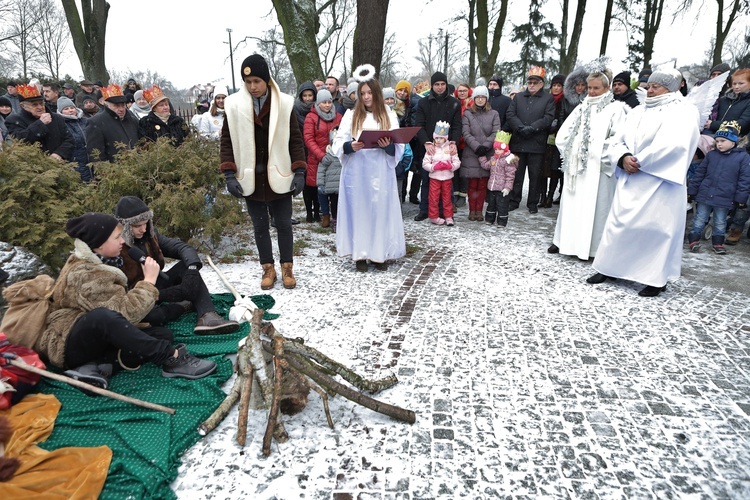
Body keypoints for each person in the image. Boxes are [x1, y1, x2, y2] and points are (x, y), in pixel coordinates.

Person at [39, 213, 217, 392]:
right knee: (103, 316)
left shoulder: (106, 260)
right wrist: (148, 282)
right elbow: (123, 315)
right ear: (99, 244)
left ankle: (101, 365)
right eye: (117, 237)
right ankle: (171, 357)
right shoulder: (84, 273)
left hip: (97, 339)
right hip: (70, 344)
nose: (123, 241)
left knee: (162, 335)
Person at [588, 67, 700, 297]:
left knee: (655, 229)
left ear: (670, 87)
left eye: (655, 87)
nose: (649, 91)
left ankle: (654, 278)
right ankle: (609, 267)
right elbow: (618, 139)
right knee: (618, 226)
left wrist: (639, 161)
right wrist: (621, 158)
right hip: (631, 178)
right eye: (648, 86)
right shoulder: (639, 110)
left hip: (660, 182)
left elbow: (676, 145)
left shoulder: (684, 111)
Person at [220, 54, 307, 289]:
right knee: (259, 226)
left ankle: (287, 267)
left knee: (284, 225)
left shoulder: (285, 104)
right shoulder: (234, 105)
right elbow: (226, 142)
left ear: (266, 80)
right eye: (248, 82)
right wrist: (229, 174)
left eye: (257, 81)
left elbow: (296, 140)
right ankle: (267, 269)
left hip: (278, 174)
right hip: (252, 178)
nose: (252, 87)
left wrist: (299, 171)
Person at [114, 196, 240, 334]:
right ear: (124, 226)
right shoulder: (115, 246)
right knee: (153, 318)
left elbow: (182, 248)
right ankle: (183, 306)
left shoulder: (150, 235)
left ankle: (207, 315)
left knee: (186, 266)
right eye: (137, 226)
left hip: (159, 284)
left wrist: (192, 268)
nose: (143, 229)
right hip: (135, 295)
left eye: (145, 223)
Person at [548, 69, 628, 260]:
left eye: (596, 88)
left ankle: (592, 248)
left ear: (607, 88)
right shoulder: (582, 106)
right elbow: (564, 133)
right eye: (589, 88)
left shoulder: (616, 109)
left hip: (597, 169)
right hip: (576, 168)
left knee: (596, 209)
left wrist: (599, 153)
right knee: (571, 205)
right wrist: (571, 150)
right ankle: (564, 242)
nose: (591, 92)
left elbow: (618, 137)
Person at [332, 64, 405, 272]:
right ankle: (360, 254)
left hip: (381, 171)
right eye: (362, 93)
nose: (365, 97)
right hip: (357, 172)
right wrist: (349, 146)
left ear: (376, 93)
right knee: (360, 210)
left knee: (379, 210)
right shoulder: (351, 115)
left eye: (369, 93)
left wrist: (389, 146)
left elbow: (399, 145)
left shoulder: (388, 115)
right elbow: (338, 143)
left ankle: (379, 253)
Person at [687, 121, 750, 253]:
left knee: (720, 221)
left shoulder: (743, 158)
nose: (719, 144)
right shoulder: (711, 155)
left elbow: (744, 180)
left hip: (725, 196)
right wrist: (692, 190)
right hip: (705, 194)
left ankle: (718, 243)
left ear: (733, 142)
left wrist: (741, 199)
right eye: (717, 141)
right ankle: (694, 239)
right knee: (699, 218)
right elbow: (700, 173)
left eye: (723, 140)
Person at [413, 71, 462, 221]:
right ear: (432, 86)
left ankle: (444, 211)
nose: (440, 87)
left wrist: (453, 142)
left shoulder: (454, 103)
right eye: (436, 84)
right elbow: (418, 125)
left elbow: (457, 125)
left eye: (442, 84)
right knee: (427, 180)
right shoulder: (423, 103)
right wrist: (426, 142)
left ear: (446, 85)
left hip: (446, 147)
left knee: (446, 181)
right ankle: (425, 209)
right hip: (429, 147)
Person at [505, 66, 555, 213]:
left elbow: (548, 117)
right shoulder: (519, 97)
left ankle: (532, 202)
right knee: (517, 173)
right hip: (519, 142)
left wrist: (533, 128)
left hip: (536, 143)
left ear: (541, 84)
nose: (532, 85)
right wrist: (520, 127)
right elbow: (510, 114)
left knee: (535, 175)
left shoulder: (548, 98)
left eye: (535, 82)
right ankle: (514, 200)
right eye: (530, 82)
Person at [461, 85, 501, 221]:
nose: (479, 100)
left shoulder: (494, 114)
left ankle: (479, 211)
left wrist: (486, 146)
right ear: (473, 98)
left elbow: (496, 132)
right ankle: (472, 210)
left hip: (487, 153)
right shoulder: (467, 113)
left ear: (486, 99)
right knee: (472, 185)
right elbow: (466, 133)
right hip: (472, 153)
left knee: (483, 185)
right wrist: (477, 147)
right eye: (477, 97)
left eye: (482, 97)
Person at [304, 89, 342, 228]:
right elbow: (308, 139)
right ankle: (325, 214)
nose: (327, 105)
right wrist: (320, 155)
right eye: (324, 102)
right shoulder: (311, 117)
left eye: (329, 102)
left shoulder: (338, 116)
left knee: (335, 190)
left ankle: (336, 216)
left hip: (335, 159)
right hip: (318, 159)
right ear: (318, 103)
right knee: (321, 189)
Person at [6, 84, 73, 161]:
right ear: (23, 106)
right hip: (33, 167)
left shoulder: (56, 118)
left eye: (41, 103)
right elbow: (20, 140)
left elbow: (69, 139)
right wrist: (40, 124)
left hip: (60, 163)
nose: (40, 107)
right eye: (34, 105)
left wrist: (59, 153)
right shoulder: (13, 120)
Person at [86, 84, 139, 162]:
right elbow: (96, 155)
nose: (121, 109)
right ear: (107, 105)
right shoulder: (96, 122)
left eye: (123, 105)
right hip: (114, 170)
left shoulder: (132, 119)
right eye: (116, 105)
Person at [422, 120, 460, 225]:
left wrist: (451, 166)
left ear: (445, 138)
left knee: (447, 197)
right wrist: (433, 167)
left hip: (447, 178)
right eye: (437, 138)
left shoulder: (450, 148)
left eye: (441, 138)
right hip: (435, 178)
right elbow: (425, 163)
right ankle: (433, 216)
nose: (438, 140)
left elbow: (457, 162)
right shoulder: (431, 148)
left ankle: (448, 216)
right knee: (433, 198)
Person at [480, 132, 518, 227]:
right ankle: (489, 219)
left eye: (500, 149)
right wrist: (482, 157)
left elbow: (510, 175)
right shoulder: (493, 159)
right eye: (496, 149)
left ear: (505, 150)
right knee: (491, 205)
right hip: (492, 187)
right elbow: (486, 165)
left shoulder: (508, 160)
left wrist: (508, 188)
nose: (497, 151)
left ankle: (502, 221)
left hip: (502, 188)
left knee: (502, 206)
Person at [541, 73, 566, 208]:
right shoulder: (547, 99)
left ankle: (551, 196)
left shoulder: (565, 100)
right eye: (554, 85)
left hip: (558, 139)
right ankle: (543, 196)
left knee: (555, 169)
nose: (556, 88)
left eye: (559, 86)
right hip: (546, 138)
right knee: (543, 169)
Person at [704, 68, 750, 138]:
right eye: (734, 84)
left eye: (741, 83)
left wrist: (713, 125)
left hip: (736, 139)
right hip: (715, 136)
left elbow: (742, 124)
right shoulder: (724, 99)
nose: (736, 87)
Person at [57, 97, 93, 182]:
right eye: (66, 109)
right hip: (75, 162)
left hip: (91, 159)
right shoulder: (61, 125)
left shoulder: (86, 121)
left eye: (72, 108)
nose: (70, 110)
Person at [317, 131, 343, 232]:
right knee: (333, 203)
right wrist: (320, 184)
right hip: (331, 186)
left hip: (341, 186)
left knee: (340, 204)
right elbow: (321, 171)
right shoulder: (328, 157)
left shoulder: (344, 156)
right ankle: (332, 218)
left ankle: (340, 220)